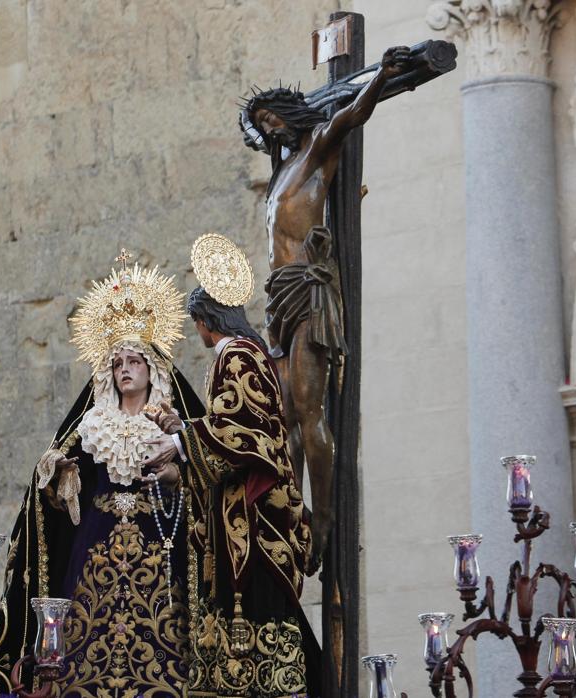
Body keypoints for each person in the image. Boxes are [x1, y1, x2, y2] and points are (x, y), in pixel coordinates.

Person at [0, 255, 204, 697]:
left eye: (135, 360)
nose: (125, 369)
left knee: (162, 647)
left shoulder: (171, 424)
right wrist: (59, 477)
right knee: (83, 649)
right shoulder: (91, 424)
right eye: (118, 361)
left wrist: (179, 468)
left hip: (158, 546)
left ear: (152, 367)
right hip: (93, 548)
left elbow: (205, 480)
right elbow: (49, 482)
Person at [240, 44, 413, 562]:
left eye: (272, 118)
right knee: (287, 414)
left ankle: (327, 518)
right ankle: (294, 513)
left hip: (312, 295)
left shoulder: (317, 147)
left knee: (311, 411)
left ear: (289, 115)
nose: (270, 129)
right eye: (263, 125)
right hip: (281, 300)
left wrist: (381, 76)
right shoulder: (281, 175)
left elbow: (352, 113)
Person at [143, 236, 319, 698]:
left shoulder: (237, 353)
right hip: (235, 509)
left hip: (254, 516)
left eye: (195, 323)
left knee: (259, 606)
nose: (196, 332)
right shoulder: (239, 353)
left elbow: (244, 429)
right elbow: (229, 423)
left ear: (206, 321)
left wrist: (180, 441)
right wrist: (181, 431)